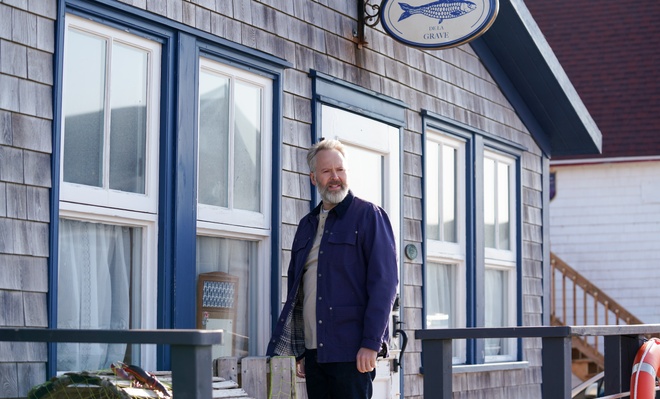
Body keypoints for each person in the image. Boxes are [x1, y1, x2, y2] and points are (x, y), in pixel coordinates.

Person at [266, 139, 398, 399]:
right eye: (327, 171)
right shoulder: (307, 225)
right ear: (314, 178)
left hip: (353, 352)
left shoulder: (369, 216)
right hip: (316, 353)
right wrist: (302, 351)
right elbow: (299, 291)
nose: (335, 177)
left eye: (340, 170)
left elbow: (385, 285)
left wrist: (371, 343)